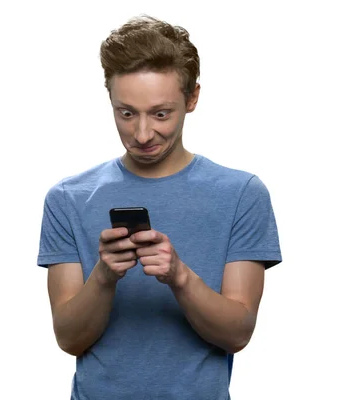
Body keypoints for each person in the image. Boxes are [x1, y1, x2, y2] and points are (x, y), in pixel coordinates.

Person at [37, 15, 282, 400]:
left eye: (161, 113)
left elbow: (237, 333)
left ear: (192, 98)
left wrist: (179, 277)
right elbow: (68, 339)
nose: (143, 133)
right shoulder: (68, 198)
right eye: (127, 112)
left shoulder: (241, 194)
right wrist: (103, 277)